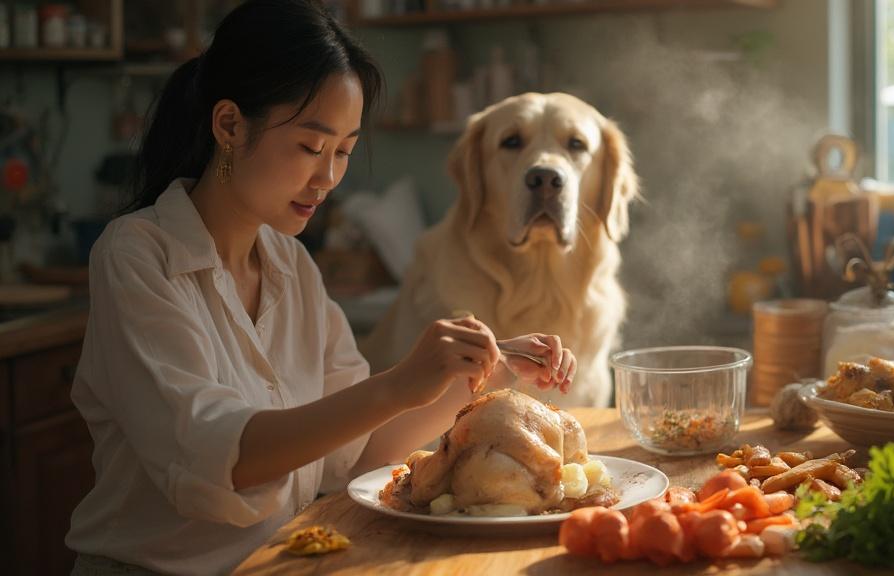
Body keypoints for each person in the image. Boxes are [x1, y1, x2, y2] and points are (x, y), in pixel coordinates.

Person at [65, 2, 577, 574]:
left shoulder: (291, 265)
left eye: (344, 152)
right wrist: (399, 382)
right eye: (312, 147)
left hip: (278, 561)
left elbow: (358, 455)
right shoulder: (136, 254)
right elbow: (218, 456)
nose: (329, 177)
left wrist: (488, 372)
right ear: (229, 125)